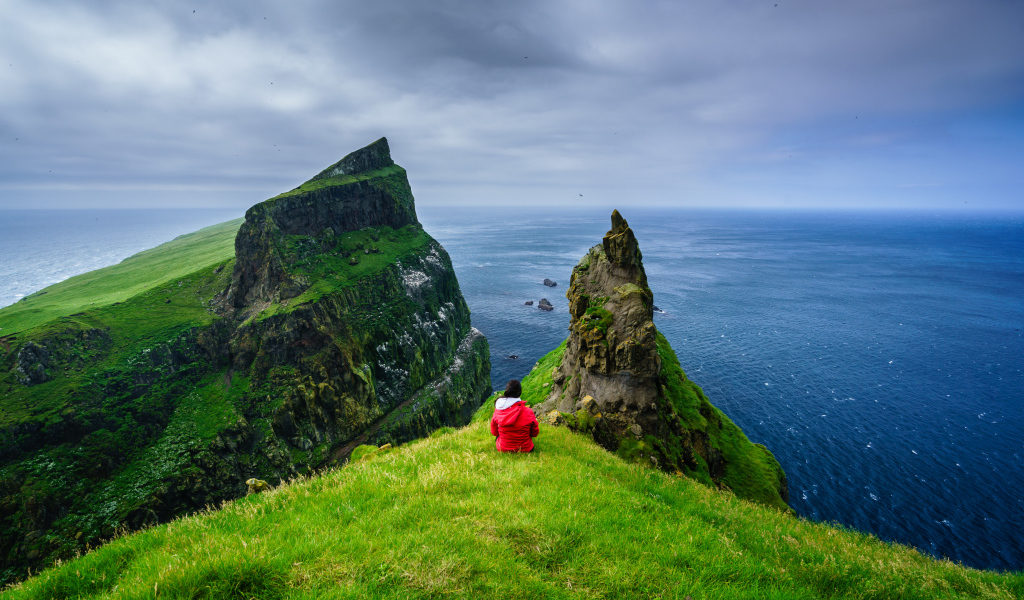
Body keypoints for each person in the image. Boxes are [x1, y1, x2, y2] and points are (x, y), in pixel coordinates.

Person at [490, 379, 539, 452]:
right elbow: (534, 433)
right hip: (525, 449)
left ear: (506, 391)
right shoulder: (528, 412)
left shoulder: (498, 411)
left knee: (499, 435)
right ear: (520, 393)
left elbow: (494, 432)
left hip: (503, 448)